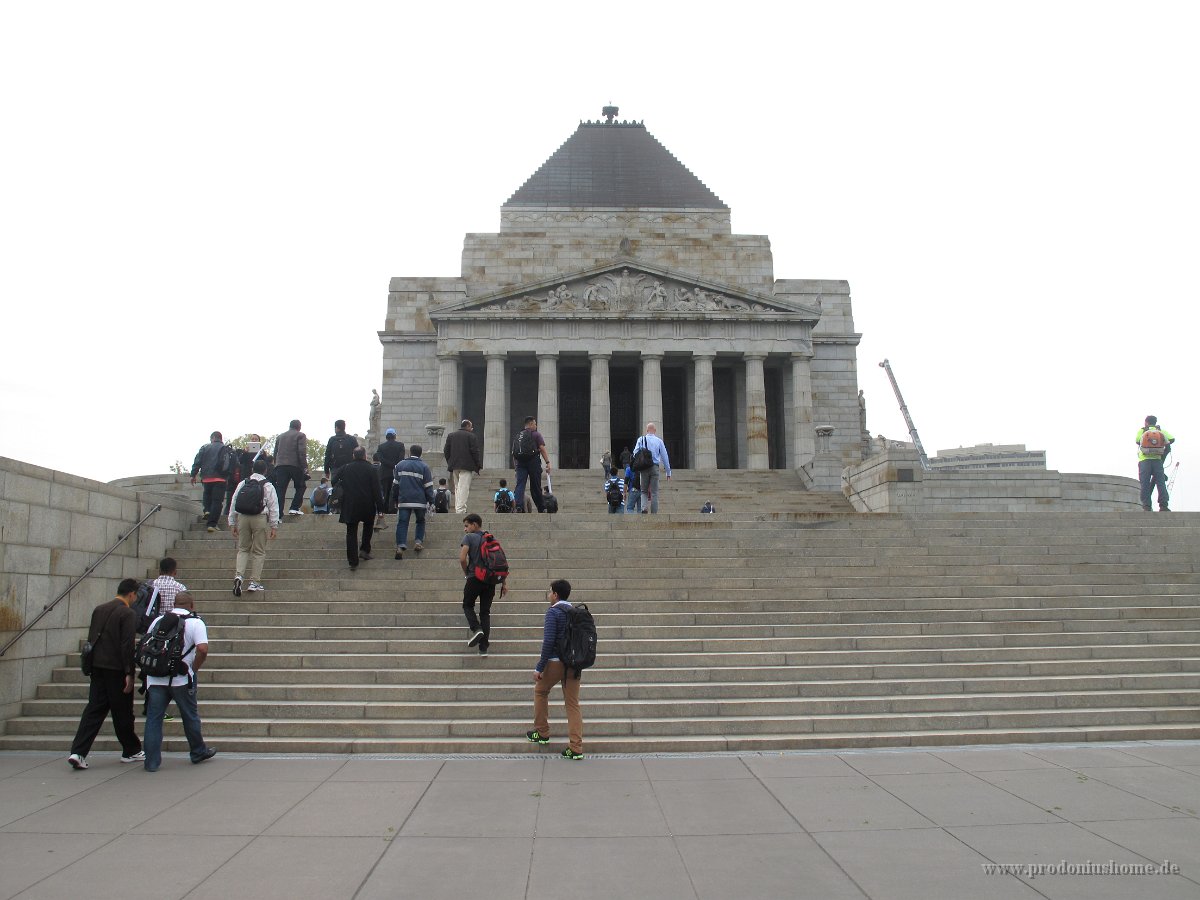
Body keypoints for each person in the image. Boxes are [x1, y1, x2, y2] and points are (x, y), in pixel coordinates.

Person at [67, 578, 143, 769]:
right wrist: (129, 673)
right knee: (123, 711)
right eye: (136, 595)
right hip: (116, 669)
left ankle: (78, 752)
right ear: (132, 594)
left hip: (97, 667)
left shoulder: (99, 609)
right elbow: (127, 645)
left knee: (94, 710)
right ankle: (131, 750)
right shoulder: (127, 613)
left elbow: (92, 638)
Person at [141, 592, 216, 772]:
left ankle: (151, 762)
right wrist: (194, 667)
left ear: (174, 604)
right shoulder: (196, 622)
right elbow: (203, 649)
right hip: (181, 678)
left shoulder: (158, 620)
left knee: (154, 718)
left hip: (156, 678)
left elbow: (146, 644)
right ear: (191, 604)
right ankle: (197, 751)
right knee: (189, 715)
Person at [526, 579, 584, 760]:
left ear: (556, 594)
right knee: (572, 704)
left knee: (540, 692)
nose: (549, 594)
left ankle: (542, 732)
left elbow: (549, 641)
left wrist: (539, 667)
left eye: (550, 591)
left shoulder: (553, 612)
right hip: (574, 664)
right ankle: (576, 748)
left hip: (555, 662)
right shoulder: (575, 612)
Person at [228, 457, 281, 596]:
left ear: (252, 469)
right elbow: (274, 507)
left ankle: (239, 575)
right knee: (258, 551)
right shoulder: (268, 485)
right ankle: (254, 582)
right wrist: (274, 526)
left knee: (243, 549)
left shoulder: (242, 483)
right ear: (265, 470)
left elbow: (234, 502)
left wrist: (232, 522)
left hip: (243, 518)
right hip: (259, 518)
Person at [460, 513, 507, 656]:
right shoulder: (491, 538)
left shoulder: (469, 537)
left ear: (475, 525)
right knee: (485, 612)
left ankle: (476, 628)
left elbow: (462, 558)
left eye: (466, 526)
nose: (465, 529)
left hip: (475, 577)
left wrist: (467, 572)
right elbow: (500, 562)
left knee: (467, 605)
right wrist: (503, 582)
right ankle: (483, 648)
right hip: (490, 580)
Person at [336, 446, 384, 570]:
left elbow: (334, 481)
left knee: (351, 532)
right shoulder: (371, 469)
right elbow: (377, 490)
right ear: (364, 455)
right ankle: (364, 549)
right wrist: (380, 508)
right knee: (368, 526)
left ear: (353, 455)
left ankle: (353, 561)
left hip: (350, 504)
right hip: (367, 504)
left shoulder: (345, 468)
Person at [393, 444, 435, 559]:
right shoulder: (424, 467)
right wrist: (431, 500)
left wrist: (395, 499)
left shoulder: (400, 465)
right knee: (420, 521)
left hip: (404, 500)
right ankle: (418, 542)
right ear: (420, 453)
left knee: (402, 523)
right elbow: (428, 486)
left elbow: (395, 485)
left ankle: (400, 546)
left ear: (410, 452)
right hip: (419, 501)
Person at [190, 431, 232, 532]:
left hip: (206, 477)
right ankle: (212, 524)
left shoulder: (205, 447)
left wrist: (193, 474)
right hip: (220, 478)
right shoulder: (226, 449)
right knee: (217, 501)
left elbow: (198, 461)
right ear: (221, 438)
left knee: (207, 494)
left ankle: (207, 510)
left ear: (212, 438)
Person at [1135, 415, 1175, 512]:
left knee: (1144, 483)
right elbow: (1172, 439)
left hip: (1144, 460)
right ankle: (1163, 505)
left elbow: (1137, 441)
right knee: (1160, 483)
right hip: (1157, 460)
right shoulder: (1160, 431)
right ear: (1155, 422)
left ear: (1146, 422)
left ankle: (1147, 506)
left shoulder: (1142, 430)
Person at [512, 415, 551, 513]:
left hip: (520, 462)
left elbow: (514, 453)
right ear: (530, 424)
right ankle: (541, 507)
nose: (536, 426)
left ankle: (519, 507)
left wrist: (516, 466)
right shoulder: (536, 434)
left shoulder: (518, 435)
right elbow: (542, 448)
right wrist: (547, 462)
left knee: (520, 485)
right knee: (536, 486)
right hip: (533, 461)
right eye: (535, 424)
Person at [443, 419, 483, 515]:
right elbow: (475, 452)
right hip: (467, 466)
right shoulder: (471, 436)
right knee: (464, 487)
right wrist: (478, 465)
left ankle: (459, 508)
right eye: (471, 426)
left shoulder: (451, 435)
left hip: (455, 466)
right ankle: (460, 510)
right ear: (468, 426)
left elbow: (446, 450)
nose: (472, 428)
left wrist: (450, 462)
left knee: (458, 487)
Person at [633, 422, 672, 514]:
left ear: (646, 430)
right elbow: (664, 456)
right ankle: (654, 513)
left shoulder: (641, 439)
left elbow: (635, 453)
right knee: (654, 492)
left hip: (643, 468)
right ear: (655, 431)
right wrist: (668, 472)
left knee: (643, 491)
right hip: (654, 467)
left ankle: (644, 509)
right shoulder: (659, 441)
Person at [273, 419, 309, 517]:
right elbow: (301, 452)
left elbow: (275, 452)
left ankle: (278, 515)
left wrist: (276, 464)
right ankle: (294, 507)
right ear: (299, 427)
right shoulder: (300, 435)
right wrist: (305, 467)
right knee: (301, 486)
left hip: (280, 465)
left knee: (280, 490)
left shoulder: (280, 436)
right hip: (295, 465)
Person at [324, 419, 360, 512]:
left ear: (336, 428)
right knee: (350, 487)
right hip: (349, 468)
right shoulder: (351, 439)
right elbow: (358, 452)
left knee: (336, 487)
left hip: (335, 468)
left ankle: (337, 507)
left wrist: (326, 470)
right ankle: (349, 506)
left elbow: (327, 455)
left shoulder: (332, 440)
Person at [373, 428, 406, 515]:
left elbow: (381, 459)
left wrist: (390, 464)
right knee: (396, 491)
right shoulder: (400, 445)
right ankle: (394, 509)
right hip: (396, 472)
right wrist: (394, 465)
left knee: (386, 492)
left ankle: (385, 510)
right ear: (394, 436)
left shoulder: (381, 447)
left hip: (384, 473)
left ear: (386, 437)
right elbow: (401, 459)